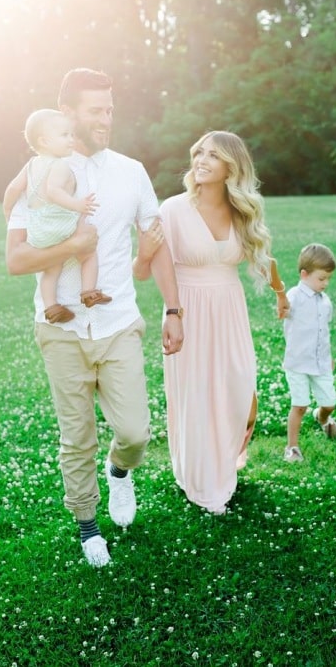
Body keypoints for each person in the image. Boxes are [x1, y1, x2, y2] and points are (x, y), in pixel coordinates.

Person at [5, 68, 183, 567]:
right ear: (68, 114)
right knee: (76, 436)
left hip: (117, 324)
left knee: (135, 433)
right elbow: (15, 260)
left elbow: (155, 240)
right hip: (59, 330)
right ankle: (87, 527)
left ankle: (120, 472)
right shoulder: (37, 176)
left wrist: (173, 309)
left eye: (110, 109)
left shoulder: (130, 171)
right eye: (95, 110)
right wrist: (73, 245)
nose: (106, 119)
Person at [134, 130, 289, 515]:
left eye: (213, 155)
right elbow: (147, 269)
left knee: (239, 388)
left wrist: (282, 293)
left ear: (231, 167)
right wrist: (173, 312)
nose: (201, 160)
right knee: (196, 395)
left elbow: (264, 258)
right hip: (187, 307)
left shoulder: (242, 211)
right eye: (199, 152)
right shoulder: (172, 209)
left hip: (229, 309)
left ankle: (224, 460)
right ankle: (203, 483)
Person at [3, 108, 112, 322]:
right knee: (88, 252)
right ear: (44, 141)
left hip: (39, 231)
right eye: (64, 135)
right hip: (61, 225)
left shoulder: (31, 165)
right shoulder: (59, 164)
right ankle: (89, 292)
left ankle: (51, 307)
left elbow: (13, 189)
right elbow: (54, 192)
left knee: (51, 268)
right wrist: (78, 205)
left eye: (71, 134)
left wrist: (7, 210)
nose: (71, 139)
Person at [282, 243, 336, 463]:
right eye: (321, 278)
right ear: (304, 274)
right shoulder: (294, 296)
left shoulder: (325, 301)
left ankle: (322, 417)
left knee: (330, 403)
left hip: (321, 362)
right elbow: (284, 309)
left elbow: (323, 331)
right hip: (297, 362)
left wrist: (329, 356)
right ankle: (292, 447)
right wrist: (282, 306)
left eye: (328, 279)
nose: (325, 283)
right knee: (299, 405)